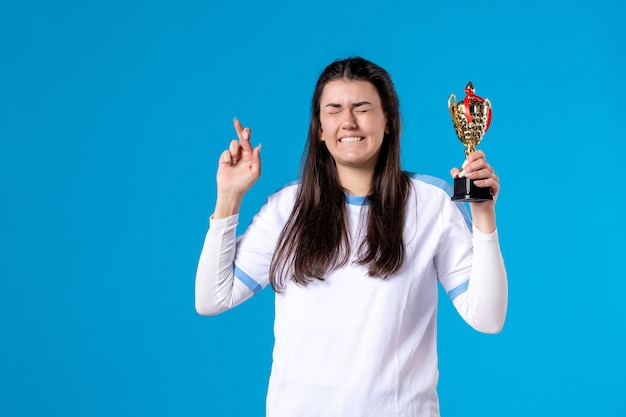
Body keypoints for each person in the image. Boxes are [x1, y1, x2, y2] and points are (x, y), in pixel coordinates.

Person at [195, 57, 507, 417]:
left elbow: (488, 317)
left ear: (389, 121)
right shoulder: (286, 209)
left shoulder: (431, 203)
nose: (348, 122)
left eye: (362, 108)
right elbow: (211, 298)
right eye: (334, 110)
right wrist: (229, 197)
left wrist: (483, 216)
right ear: (319, 129)